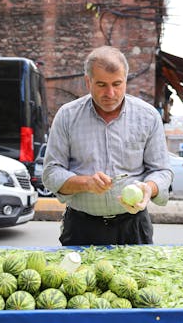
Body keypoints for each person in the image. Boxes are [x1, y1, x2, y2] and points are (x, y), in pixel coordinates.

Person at [42, 46, 173, 246]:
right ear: (88, 82)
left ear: (126, 80)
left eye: (117, 84)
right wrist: (86, 183)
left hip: (133, 226)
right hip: (81, 226)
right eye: (101, 84)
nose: (110, 93)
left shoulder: (148, 117)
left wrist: (149, 188)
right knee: (79, 278)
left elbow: (162, 171)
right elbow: (51, 172)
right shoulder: (67, 116)